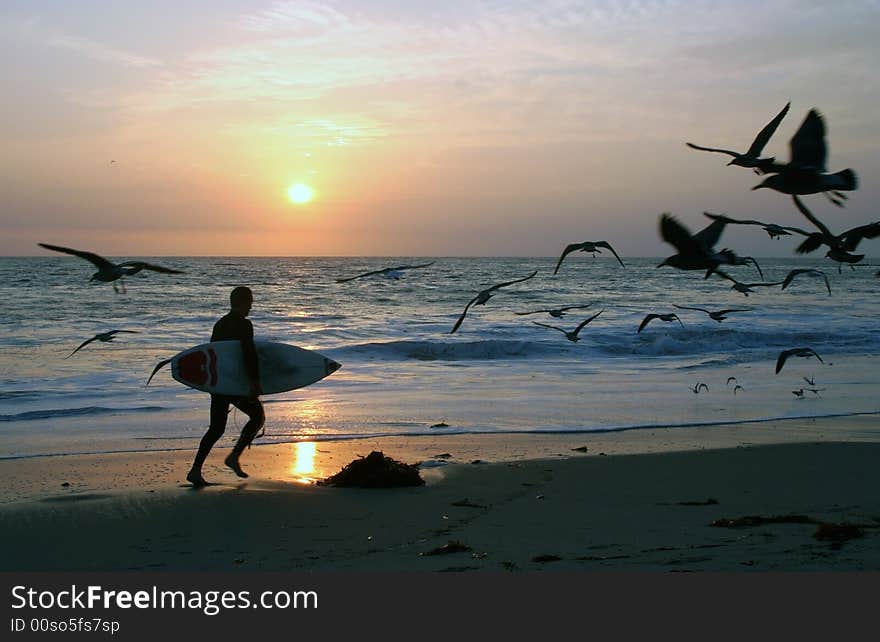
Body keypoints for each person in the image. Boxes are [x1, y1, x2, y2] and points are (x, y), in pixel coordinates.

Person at [186, 286, 264, 487]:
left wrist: (211, 382)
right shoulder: (245, 325)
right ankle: (234, 456)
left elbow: (213, 354)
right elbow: (248, 354)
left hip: (219, 382)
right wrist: (254, 381)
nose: (251, 307)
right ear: (242, 302)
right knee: (257, 416)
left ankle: (195, 470)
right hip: (235, 384)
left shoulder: (220, 324)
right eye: (250, 303)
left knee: (216, 428)